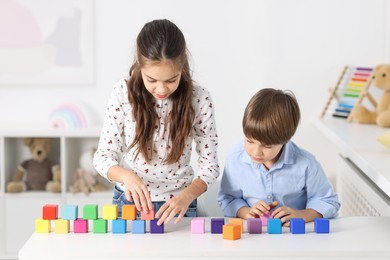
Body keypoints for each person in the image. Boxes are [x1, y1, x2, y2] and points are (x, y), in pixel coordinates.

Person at [93, 19, 219, 226]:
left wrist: (187, 196)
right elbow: (103, 157)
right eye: (151, 80)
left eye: (171, 80)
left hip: (180, 207)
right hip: (129, 203)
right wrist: (126, 177)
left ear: (182, 67)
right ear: (140, 65)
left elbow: (210, 165)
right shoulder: (123, 92)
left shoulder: (199, 98)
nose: (161, 90)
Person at [217, 88, 340, 226]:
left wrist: (302, 215)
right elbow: (228, 199)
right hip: (253, 237)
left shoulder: (306, 163)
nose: (256, 152)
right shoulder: (235, 159)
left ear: (285, 140)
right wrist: (248, 212)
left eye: (267, 146)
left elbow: (328, 201)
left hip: (294, 238)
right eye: (250, 141)